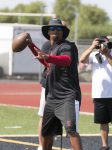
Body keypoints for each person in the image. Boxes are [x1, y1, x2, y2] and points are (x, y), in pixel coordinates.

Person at [27, 18, 83, 150]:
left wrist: (48, 57)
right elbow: (47, 63)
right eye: (52, 29)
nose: (55, 31)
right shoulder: (50, 48)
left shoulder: (68, 46)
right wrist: (30, 45)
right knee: (46, 133)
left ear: (63, 32)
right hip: (52, 97)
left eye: (58, 29)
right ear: (48, 32)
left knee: (71, 130)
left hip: (67, 97)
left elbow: (66, 60)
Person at [79, 36, 112, 150]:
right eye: (99, 42)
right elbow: (82, 60)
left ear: (108, 43)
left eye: (103, 42)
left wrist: (106, 53)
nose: (101, 44)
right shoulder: (94, 55)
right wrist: (92, 46)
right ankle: (104, 145)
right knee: (103, 122)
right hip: (99, 94)